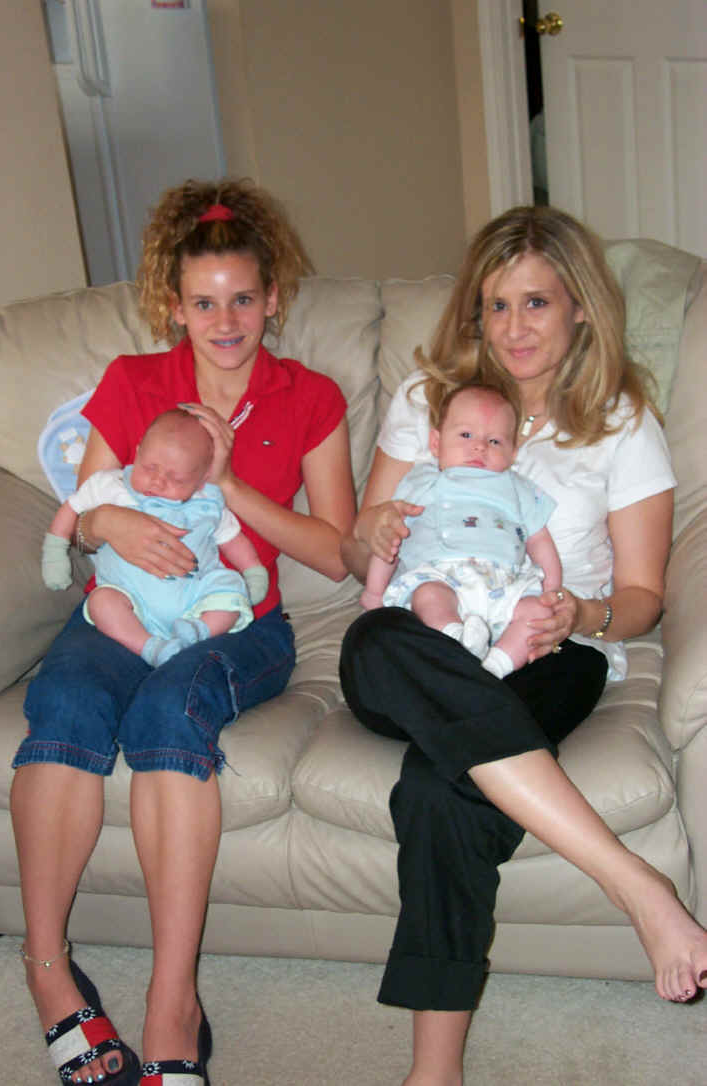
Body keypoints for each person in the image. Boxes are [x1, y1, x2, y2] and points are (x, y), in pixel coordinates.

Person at [339, 204, 707, 1086]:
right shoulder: (428, 401)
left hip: (547, 647)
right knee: (377, 638)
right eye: (496, 305)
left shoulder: (620, 421)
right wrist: (372, 531)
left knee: (441, 787)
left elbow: (643, 596)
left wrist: (578, 614)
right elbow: (359, 550)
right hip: (420, 637)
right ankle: (633, 881)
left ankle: (433, 1073)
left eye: (536, 303)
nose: (514, 329)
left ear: (580, 305)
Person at [11, 178, 356, 1086]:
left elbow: (336, 552)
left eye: (242, 299)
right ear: (175, 305)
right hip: (121, 605)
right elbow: (85, 515)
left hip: (236, 620)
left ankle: (174, 1000)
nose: (225, 320)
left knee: (170, 713)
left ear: (272, 298)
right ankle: (47, 970)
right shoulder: (134, 383)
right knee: (66, 700)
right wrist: (113, 523)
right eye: (204, 303)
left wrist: (230, 483)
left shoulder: (310, 395)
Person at [42, 408, 268, 667]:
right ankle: (149, 647)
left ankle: (198, 631)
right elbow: (71, 509)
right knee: (101, 602)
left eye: (176, 478)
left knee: (231, 590)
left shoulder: (207, 503)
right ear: (138, 453)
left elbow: (233, 540)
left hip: (195, 598)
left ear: (201, 480)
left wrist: (253, 572)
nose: (157, 482)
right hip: (129, 599)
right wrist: (54, 552)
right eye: (149, 467)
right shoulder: (109, 486)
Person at [362, 383, 561, 678]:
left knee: (536, 615)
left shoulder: (519, 489)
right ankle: (455, 638)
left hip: (504, 583)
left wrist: (552, 592)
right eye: (466, 435)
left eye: (494, 441)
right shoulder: (422, 483)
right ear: (436, 443)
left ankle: (495, 667)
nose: (479, 446)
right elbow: (389, 539)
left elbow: (540, 541)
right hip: (443, 577)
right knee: (428, 596)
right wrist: (374, 591)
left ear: (512, 453)